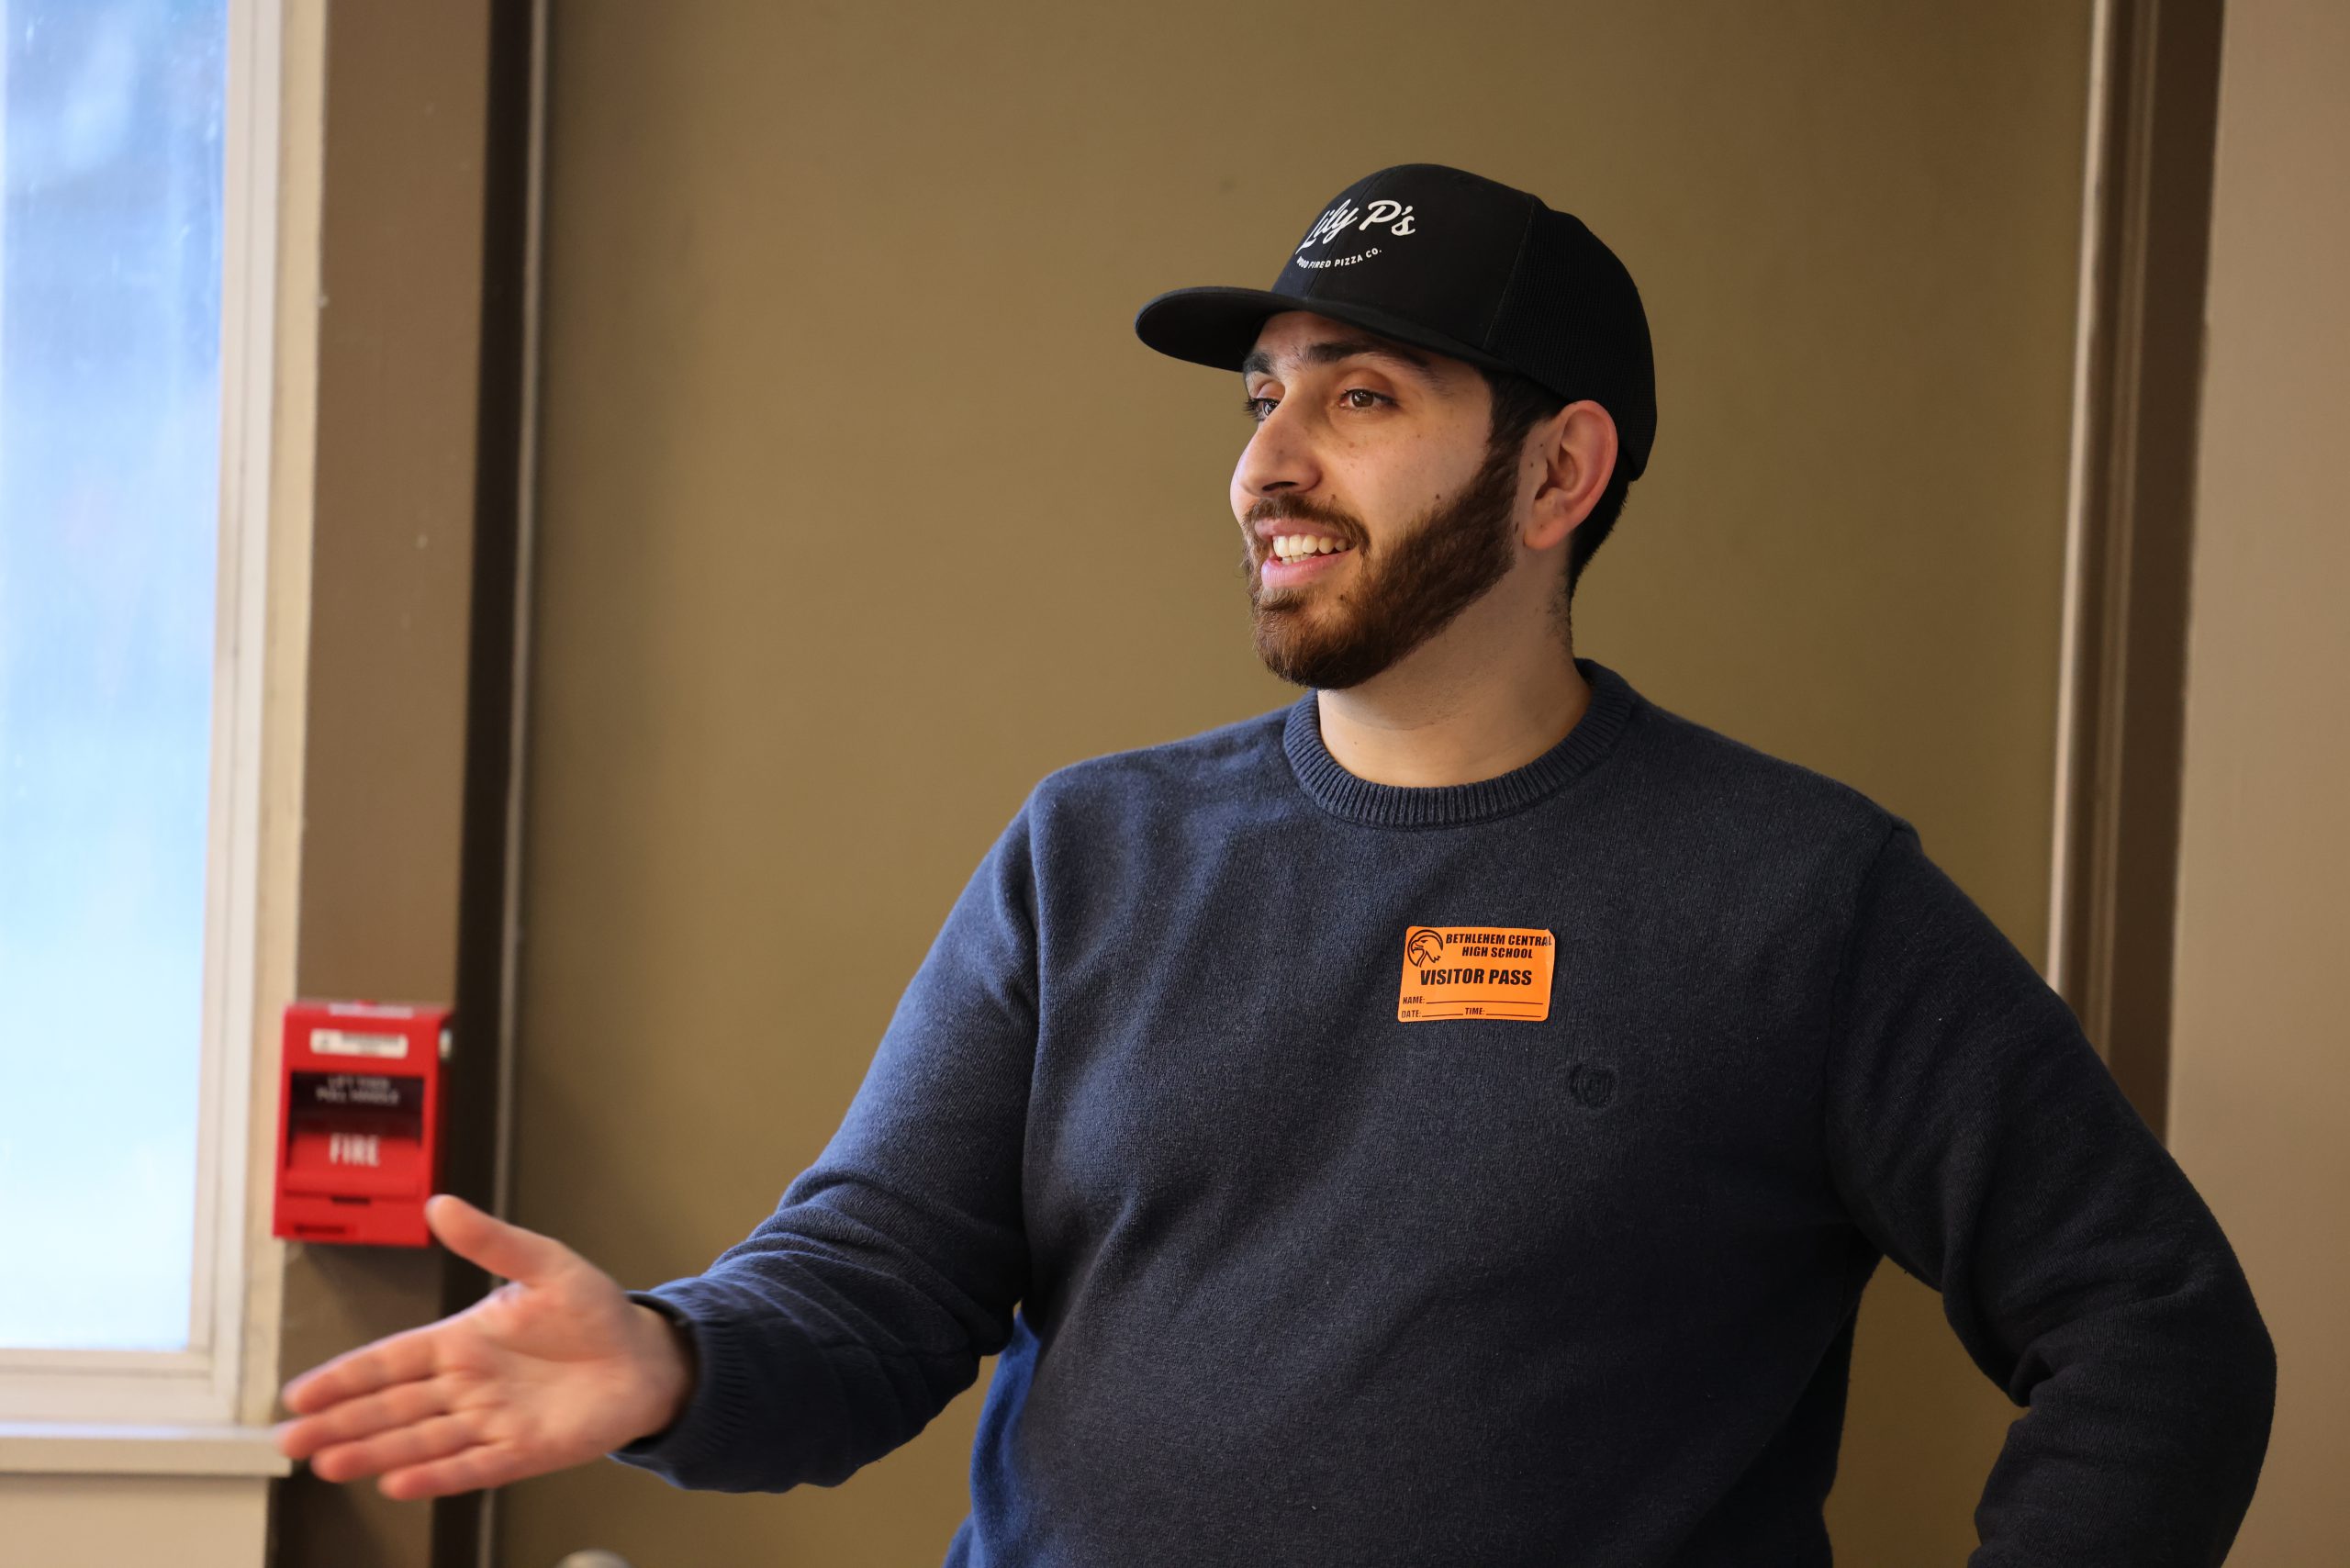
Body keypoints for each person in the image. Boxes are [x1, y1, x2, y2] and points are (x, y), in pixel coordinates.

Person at [274, 163, 2275, 1565]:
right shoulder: (1093, 850)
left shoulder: (1796, 896)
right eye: (1261, 395)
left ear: (1560, 472)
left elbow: (2155, 1332)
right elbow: (876, 1283)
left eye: (1363, 395)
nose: (1267, 461)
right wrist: (674, 1348)